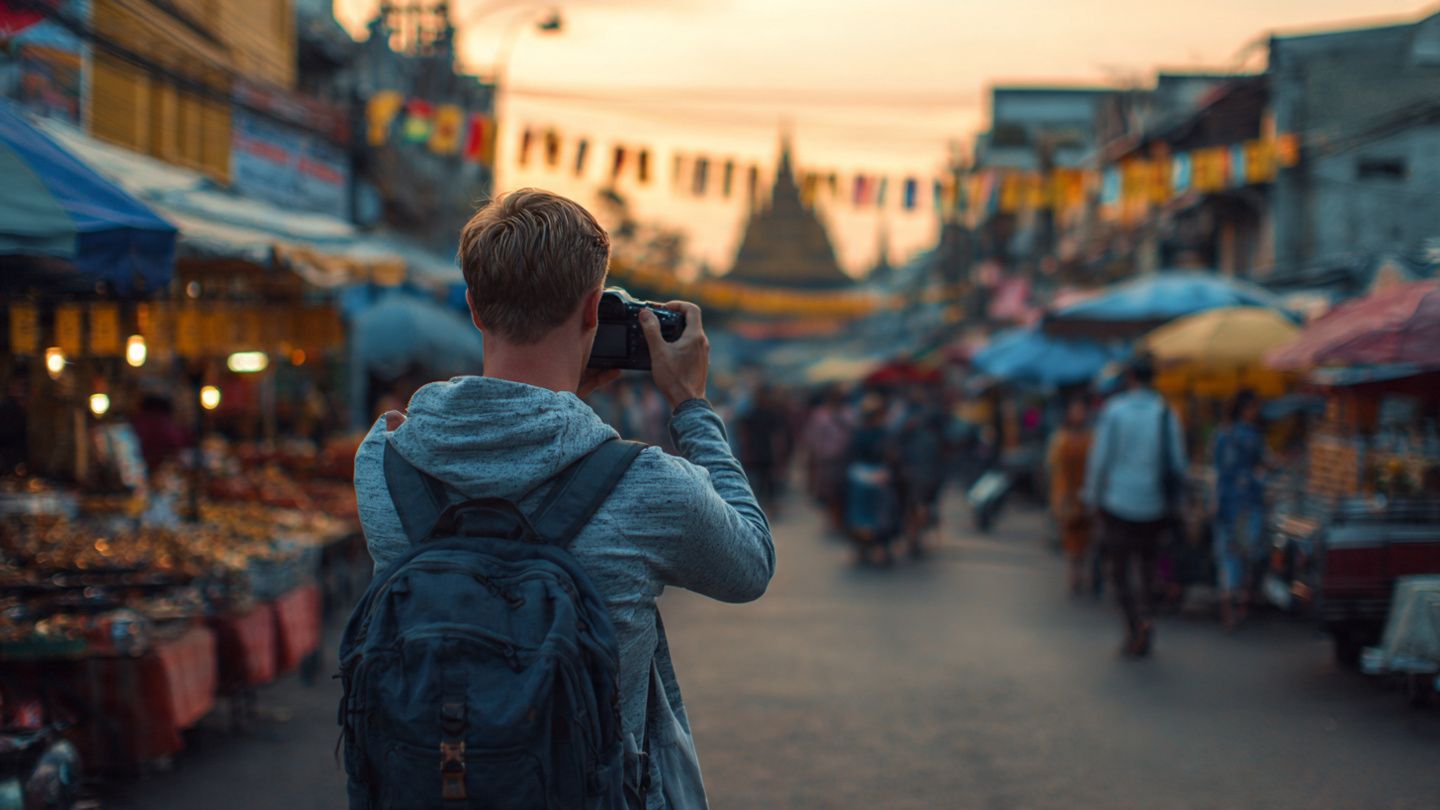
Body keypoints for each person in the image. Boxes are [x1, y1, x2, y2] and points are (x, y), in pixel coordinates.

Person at [353, 189, 774, 808]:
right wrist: (691, 406)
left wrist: (563, 388)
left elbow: (510, 448)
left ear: (473, 307)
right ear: (591, 311)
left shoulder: (382, 462)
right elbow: (751, 564)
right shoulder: (646, 484)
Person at [1082, 355, 1186, 657]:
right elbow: (1178, 465)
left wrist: (1092, 498)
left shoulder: (1115, 412)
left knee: (1120, 571)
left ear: (1129, 378)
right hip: (1155, 506)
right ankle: (1147, 618)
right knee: (1149, 568)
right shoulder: (1166, 413)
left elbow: (1100, 460)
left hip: (1118, 504)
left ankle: (1133, 625)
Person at [1211, 390, 1266, 632]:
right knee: (1246, 555)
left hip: (1225, 503)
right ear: (1246, 409)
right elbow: (1262, 466)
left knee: (1228, 556)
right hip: (1246, 503)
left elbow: (1216, 473)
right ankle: (1239, 603)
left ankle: (1228, 606)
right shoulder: (1252, 436)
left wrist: (1213, 501)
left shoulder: (1222, 435)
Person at [1047, 397, 1093, 596]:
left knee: (1086, 535)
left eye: (1081, 410)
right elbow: (1053, 465)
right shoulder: (1061, 437)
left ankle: (1083, 571)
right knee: (1069, 535)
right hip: (1066, 494)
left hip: (1086, 492)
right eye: (1076, 410)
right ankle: (1073, 573)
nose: (1079, 414)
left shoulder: (1091, 437)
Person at [844, 393, 898, 565]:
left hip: (860, 476)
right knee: (880, 516)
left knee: (861, 516)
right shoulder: (883, 433)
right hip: (877, 477)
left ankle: (863, 548)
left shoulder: (859, 433)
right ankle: (878, 548)